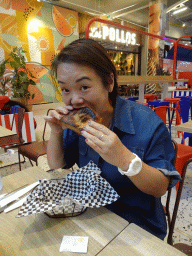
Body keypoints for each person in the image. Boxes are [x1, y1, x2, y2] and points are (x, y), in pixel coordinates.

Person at [45, 38, 180, 240]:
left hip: (138, 226)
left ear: (109, 82)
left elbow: (160, 187)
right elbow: (57, 165)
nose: (74, 99)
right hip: (91, 216)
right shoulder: (77, 122)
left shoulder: (146, 122)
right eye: (65, 89)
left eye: (84, 87)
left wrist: (124, 159)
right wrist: (55, 131)